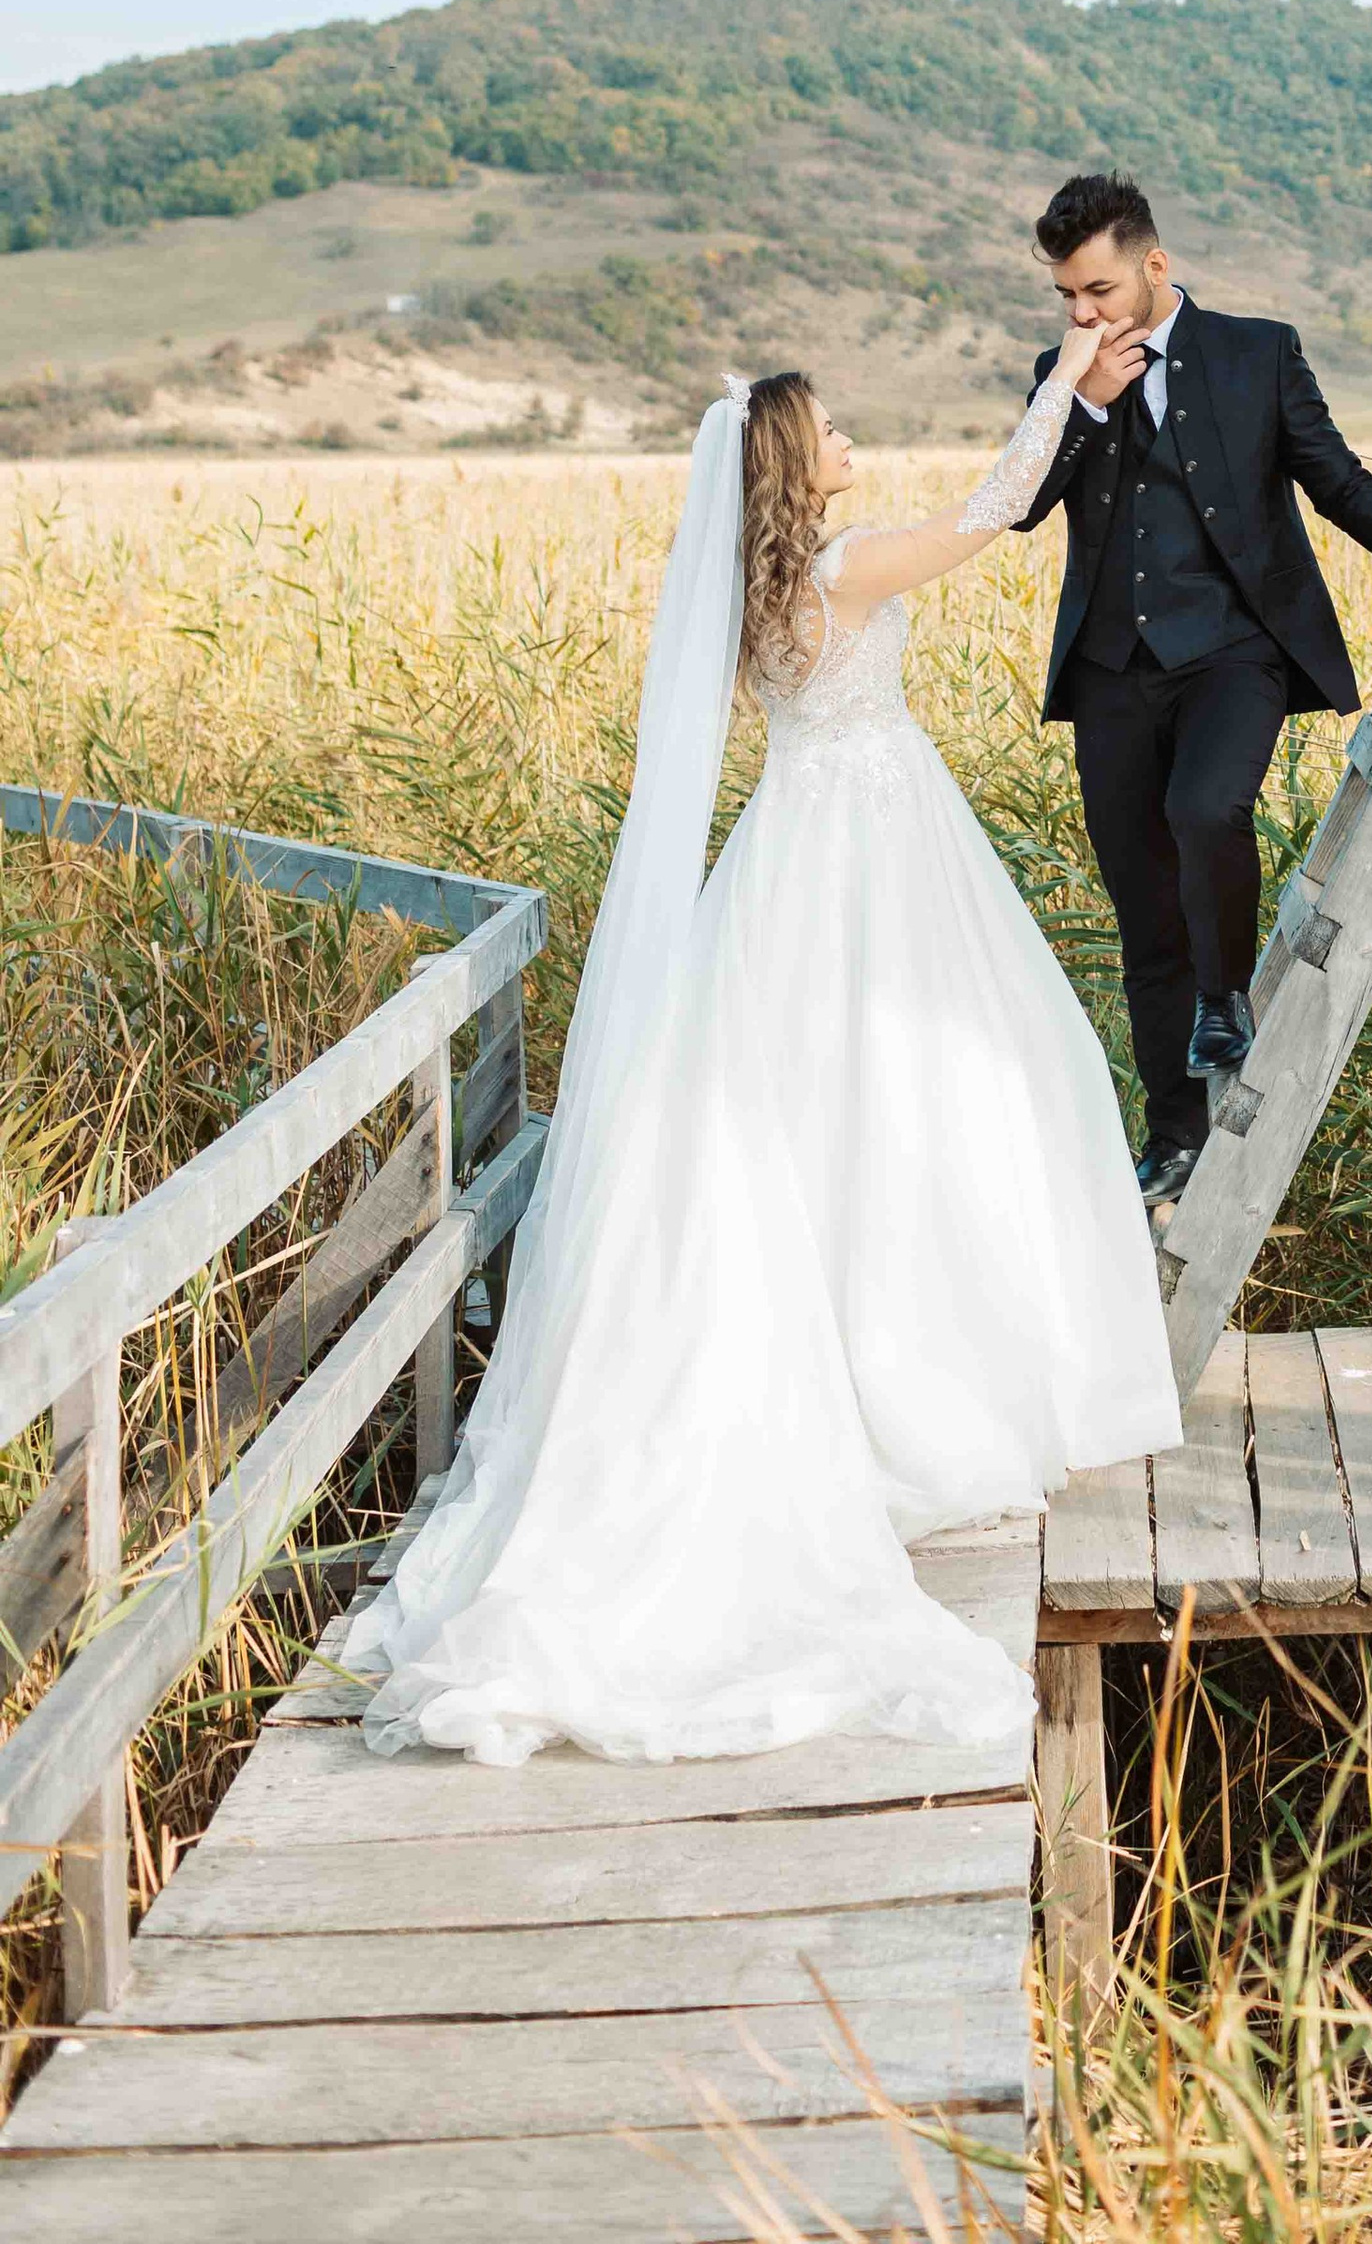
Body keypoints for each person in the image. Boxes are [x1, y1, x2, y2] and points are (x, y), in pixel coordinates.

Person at [345, 340, 1179, 1769]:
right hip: (876, 850)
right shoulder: (844, 564)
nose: (852, 436)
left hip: (799, 850)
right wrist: (1070, 393)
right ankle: (919, 1391)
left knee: (823, 1116)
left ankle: (882, 1371)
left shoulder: (754, 597)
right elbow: (987, 515)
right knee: (932, 1100)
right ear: (796, 464)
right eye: (833, 426)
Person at [1016, 173, 1372, 1205]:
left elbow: (1331, 473)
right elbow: (1023, 502)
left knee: (1206, 808)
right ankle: (1172, 1135)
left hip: (1237, 647)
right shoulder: (1061, 372)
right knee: (1143, 916)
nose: (1083, 314)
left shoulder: (1257, 350)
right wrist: (1080, 406)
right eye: (1067, 297)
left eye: (1097, 290)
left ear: (1153, 265)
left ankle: (1225, 994)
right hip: (1111, 670)